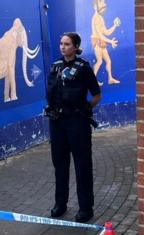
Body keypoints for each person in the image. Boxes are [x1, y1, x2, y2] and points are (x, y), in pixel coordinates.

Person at [44, 32, 101, 223]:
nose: (63, 47)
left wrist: (85, 109)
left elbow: (96, 94)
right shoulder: (55, 67)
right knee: (59, 164)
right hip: (57, 122)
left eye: (67, 44)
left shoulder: (83, 68)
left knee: (82, 165)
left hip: (77, 122)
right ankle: (60, 204)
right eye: (61, 43)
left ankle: (86, 208)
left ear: (76, 46)